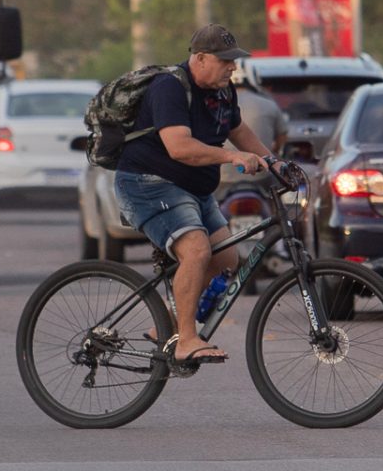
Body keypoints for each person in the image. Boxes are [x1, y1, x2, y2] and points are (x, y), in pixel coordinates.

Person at [115, 24, 292, 365]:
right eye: (224, 60)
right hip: (147, 183)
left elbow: (237, 129)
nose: (232, 67)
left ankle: (164, 323)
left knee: (226, 258)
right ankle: (185, 340)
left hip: (192, 188)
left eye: (234, 60)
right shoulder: (169, 87)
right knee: (196, 250)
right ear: (199, 58)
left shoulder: (224, 91)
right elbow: (179, 147)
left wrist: (274, 164)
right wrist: (231, 157)